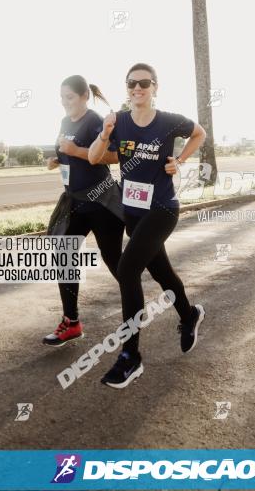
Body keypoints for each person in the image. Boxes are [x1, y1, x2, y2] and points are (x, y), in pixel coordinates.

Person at [88, 62, 207, 388]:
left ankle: (131, 356)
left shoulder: (169, 121)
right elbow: (95, 157)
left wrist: (179, 161)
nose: (137, 88)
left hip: (163, 210)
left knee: (128, 270)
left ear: (155, 87)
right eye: (131, 84)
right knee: (162, 273)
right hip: (133, 213)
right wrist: (105, 133)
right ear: (127, 89)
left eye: (144, 83)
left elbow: (200, 133)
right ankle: (189, 314)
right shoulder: (119, 122)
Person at [43, 75, 124, 346]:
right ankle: (71, 322)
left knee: (114, 259)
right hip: (75, 200)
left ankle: (135, 309)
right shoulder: (65, 122)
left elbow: (114, 156)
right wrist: (58, 159)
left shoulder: (95, 121)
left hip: (101, 200)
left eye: (69, 97)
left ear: (84, 97)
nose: (64, 103)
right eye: (61, 97)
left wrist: (76, 151)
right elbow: (65, 150)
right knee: (63, 254)